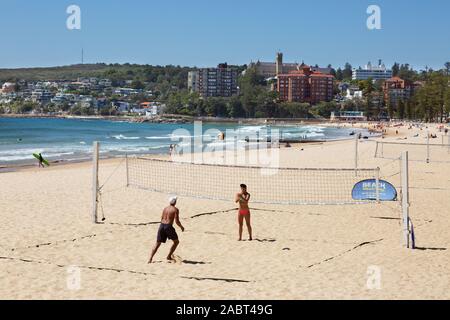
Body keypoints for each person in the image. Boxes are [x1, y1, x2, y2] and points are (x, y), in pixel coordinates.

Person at [148, 196, 185, 264]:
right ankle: (168, 256)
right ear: (175, 202)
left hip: (161, 225)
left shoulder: (165, 208)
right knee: (176, 242)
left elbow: (161, 218)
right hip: (168, 226)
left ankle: (150, 258)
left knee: (157, 243)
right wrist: (181, 227)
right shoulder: (175, 209)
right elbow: (177, 221)